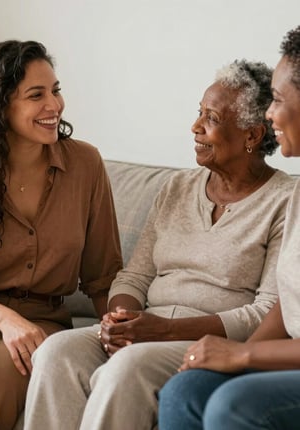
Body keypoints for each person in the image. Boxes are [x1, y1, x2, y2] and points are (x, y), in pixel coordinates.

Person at [23, 59, 295, 430]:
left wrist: (161, 331)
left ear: (251, 135)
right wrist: (119, 319)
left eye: (211, 118)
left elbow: (266, 312)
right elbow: (134, 275)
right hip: (144, 327)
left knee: (126, 368)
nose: (195, 127)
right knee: (56, 351)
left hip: (199, 337)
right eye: (198, 113)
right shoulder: (177, 188)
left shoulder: (284, 200)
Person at [0, 40, 122, 430]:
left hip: (40, 315)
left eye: (56, 90)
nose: (55, 105)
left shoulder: (86, 165)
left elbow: (103, 274)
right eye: (37, 95)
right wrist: (7, 321)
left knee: (10, 370)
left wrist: (118, 344)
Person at [158, 25, 300, 430]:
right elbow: (287, 306)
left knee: (232, 406)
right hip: (284, 355)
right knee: (185, 390)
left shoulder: (283, 197)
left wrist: (243, 356)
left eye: (276, 100)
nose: (270, 113)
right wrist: (229, 357)